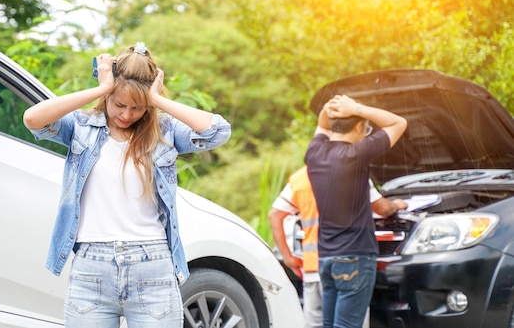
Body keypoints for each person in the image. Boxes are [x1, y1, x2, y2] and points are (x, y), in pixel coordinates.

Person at [23, 42, 231, 328]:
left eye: (138, 107)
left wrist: (157, 100)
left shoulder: (165, 132)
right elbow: (33, 119)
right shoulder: (82, 127)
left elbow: (217, 131)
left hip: (152, 266)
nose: (127, 114)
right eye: (119, 104)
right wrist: (100, 89)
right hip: (91, 267)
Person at [304, 94, 407, 328]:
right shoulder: (356, 155)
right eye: (366, 130)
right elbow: (399, 123)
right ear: (360, 125)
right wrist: (356, 108)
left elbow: (322, 124)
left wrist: (332, 107)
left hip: (327, 258)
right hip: (355, 257)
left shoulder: (314, 154)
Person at [269, 166, 407, 328]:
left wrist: (288, 258)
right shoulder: (353, 173)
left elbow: (275, 215)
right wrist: (397, 204)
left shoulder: (301, 177)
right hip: (349, 264)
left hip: (313, 267)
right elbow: (383, 209)